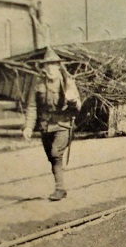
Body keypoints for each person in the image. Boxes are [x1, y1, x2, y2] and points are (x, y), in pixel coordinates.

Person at [22, 47, 82, 201]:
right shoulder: (37, 83)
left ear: (58, 65)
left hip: (63, 124)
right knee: (52, 157)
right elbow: (32, 106)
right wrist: (28, 126)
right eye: (47, 65)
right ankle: (60, 187)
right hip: (45, 125)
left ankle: (59, 189)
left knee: (56, 153)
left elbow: (78, 106)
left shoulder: (67, 82)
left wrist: (73, 101)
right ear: (43, 67)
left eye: (53, 64)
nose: (49, 67)